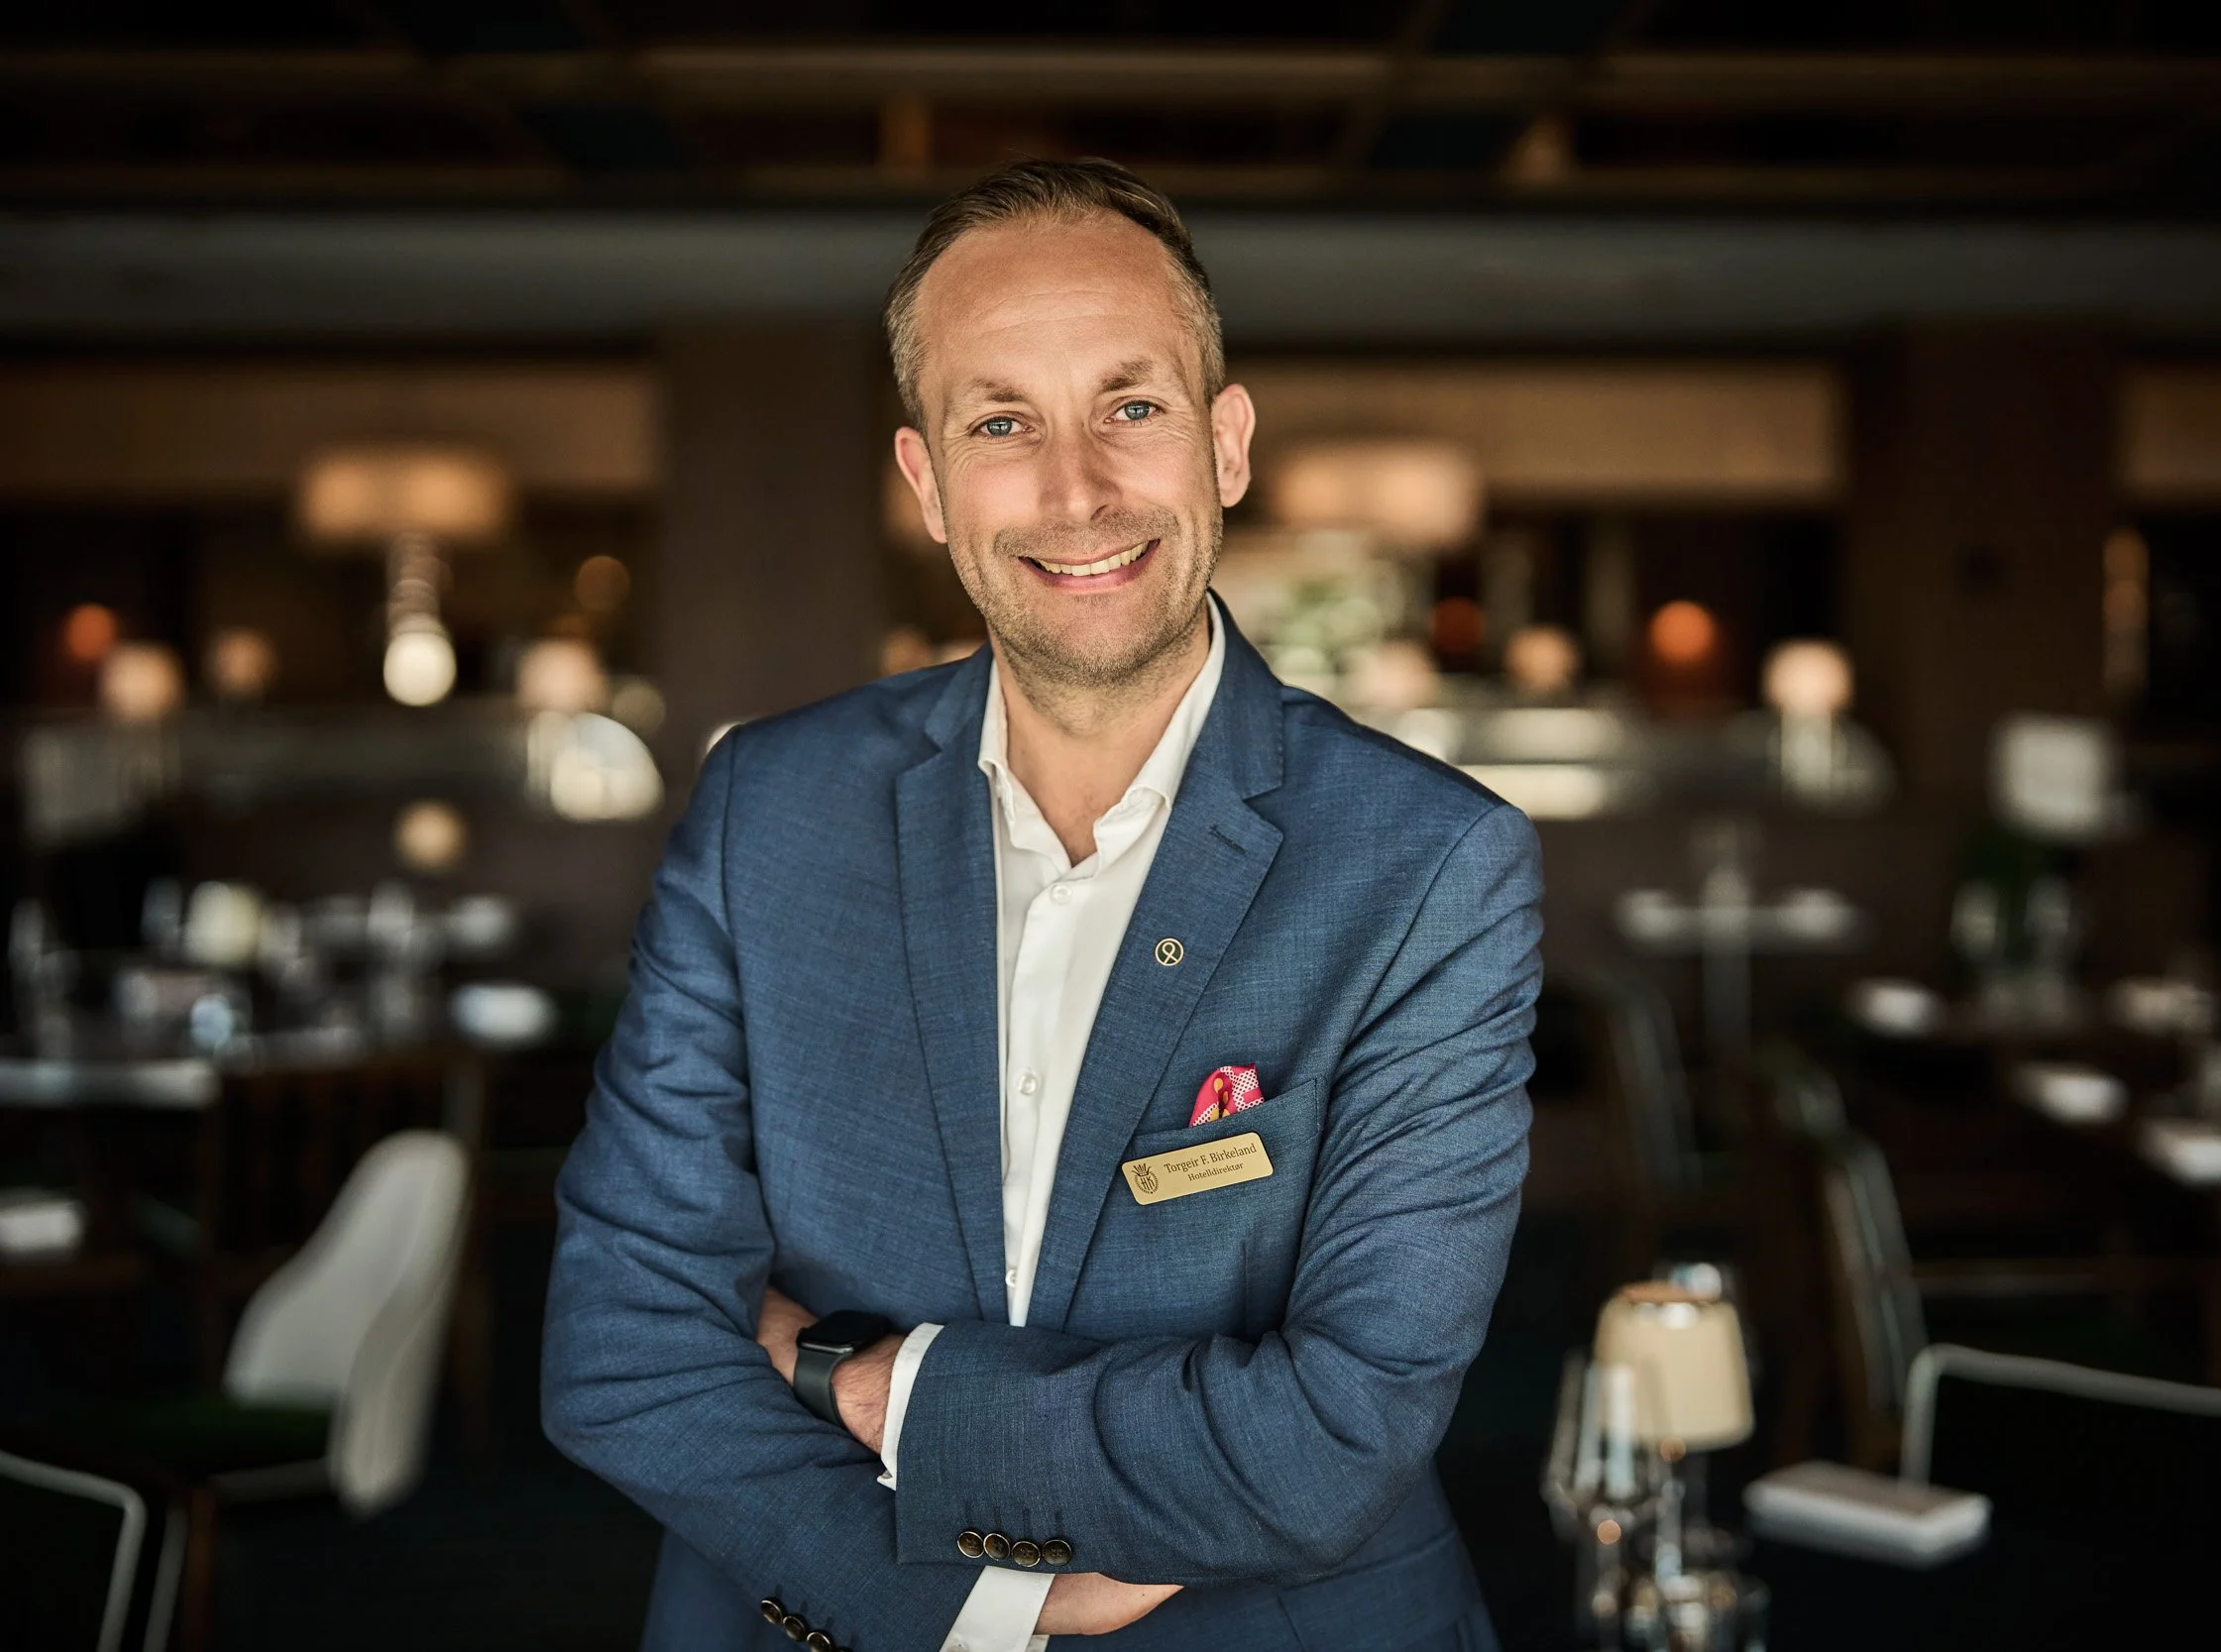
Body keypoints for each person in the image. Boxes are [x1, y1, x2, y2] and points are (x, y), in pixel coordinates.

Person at [543, 158, 1542, 1652]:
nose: (1074, 488)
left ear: (1226, 443)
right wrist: (966, 1603)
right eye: (1001, 421)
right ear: (927, 482)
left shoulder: (1428, 864)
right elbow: (621, 1341)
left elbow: (1337, 1429)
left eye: (1130, 406)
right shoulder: (767, 806)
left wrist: (865, 1380)